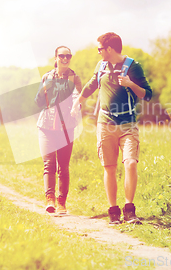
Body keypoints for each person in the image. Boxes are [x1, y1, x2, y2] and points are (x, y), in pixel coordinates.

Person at [71, 32, 152, 224]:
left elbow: (147, 94)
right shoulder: (101, 66)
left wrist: (131, 84)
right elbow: (92, 85)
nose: (98, 52)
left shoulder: (133, 66)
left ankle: (129, 210)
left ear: (109, 49)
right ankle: (113, 211)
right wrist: (77, 103)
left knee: (130, 163)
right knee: (109, 167)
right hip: (105, 123)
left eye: (100, 48)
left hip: (128, 124)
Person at [35, 46, 82, 216]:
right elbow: (39, 102)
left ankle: (62, 203)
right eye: (61, 55)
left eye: (68, 55)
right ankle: (50, 200)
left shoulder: (74, 78)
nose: (65, 58)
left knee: (63, 166)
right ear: (55, 57)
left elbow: (78, 95)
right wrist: (43, 89)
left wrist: (76, 107)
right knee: (49, 165)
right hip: (46, 126)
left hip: (66, 127)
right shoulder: (47, 77)